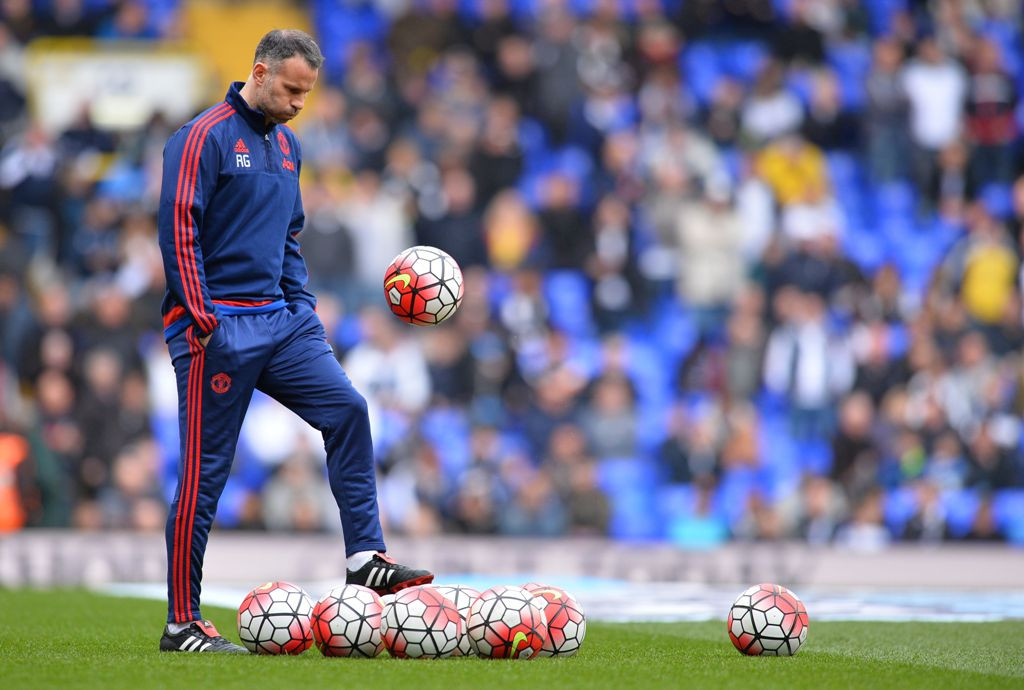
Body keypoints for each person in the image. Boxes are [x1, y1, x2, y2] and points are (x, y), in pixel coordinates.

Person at [156, 29, 432, 654]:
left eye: (307, 93)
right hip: (216, 327)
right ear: (259, 73)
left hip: (282, 323)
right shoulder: (201, 138)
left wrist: (302, 310)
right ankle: (181, 623)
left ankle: (365, 556)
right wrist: (204, 320)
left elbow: (289, 239)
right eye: (291, 90)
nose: (299, 103)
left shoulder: (288, 147)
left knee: (348, 410)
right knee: (205, 476)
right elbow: (179, 231)